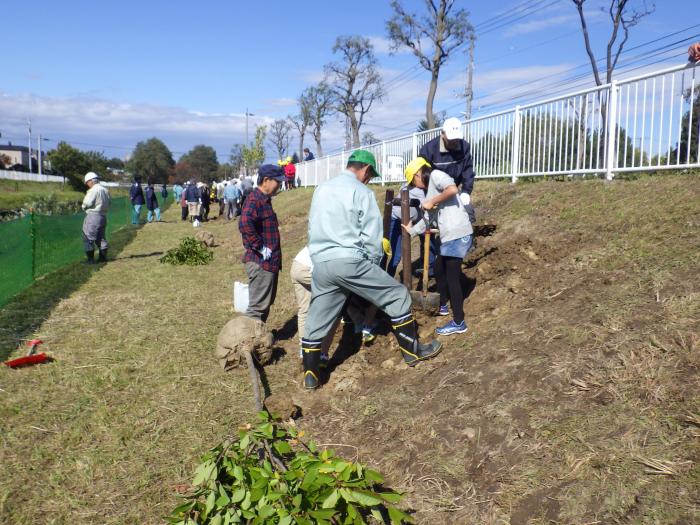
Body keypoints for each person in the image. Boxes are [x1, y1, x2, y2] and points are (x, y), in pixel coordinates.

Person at [301, 150, 442, 390]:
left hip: (322, 263)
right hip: (350, 260)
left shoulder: (321, 189)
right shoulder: (361, 192)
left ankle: (311, 377)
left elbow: (312, 225)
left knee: (318, 318)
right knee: (397, 294)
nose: (369, 180)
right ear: (365, 171)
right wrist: (375, 262)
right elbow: (373, 235)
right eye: (370, 175)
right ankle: (413, 352)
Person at [403, 157, 473, 336]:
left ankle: (459, 322)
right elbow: (428, 217)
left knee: (452, 277)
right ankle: (443, 304)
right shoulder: (429, 191)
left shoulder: (436, 175)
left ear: (418, 174)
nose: (415, 186)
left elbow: (452, 189)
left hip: (458, 233)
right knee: (439, 268)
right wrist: (412, 230)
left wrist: (432, 200)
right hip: (450, 236)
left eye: (414, 181)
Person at [238, 164, 285, 323]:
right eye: (278, 182)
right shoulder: (255, 200)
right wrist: (260, 247)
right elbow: (244, 224)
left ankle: (259, 339)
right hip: (260, 263)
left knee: (264, 305)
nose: (280, 185)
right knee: (257, 309)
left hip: (269, 263)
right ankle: (246, 342)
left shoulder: (265, 200)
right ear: (266, 180)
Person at [418, 117, 475, 224]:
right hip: (433, 191)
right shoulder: (429, 150)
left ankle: (467, 238)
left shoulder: (464, 147)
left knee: (468, 213)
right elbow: (422, 174)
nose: (454, 142)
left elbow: (468, 170)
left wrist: (466, 192)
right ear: (443, 134)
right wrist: (428, 197)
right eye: (451, 139)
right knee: (429, 221)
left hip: (454, 189)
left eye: (456, 139)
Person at [81, 172, 111, 263]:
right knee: (101, 237)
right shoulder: (105, 190)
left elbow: (87, 203)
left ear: (91, 181)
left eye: (87, 182)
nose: (87, 185)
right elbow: (109, 203)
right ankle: (102, 258)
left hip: (93, 216)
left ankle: (90, 260)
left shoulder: (93, 190)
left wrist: (83, 207)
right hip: (103, 216)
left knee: (87, 237)